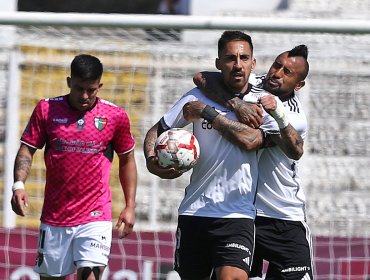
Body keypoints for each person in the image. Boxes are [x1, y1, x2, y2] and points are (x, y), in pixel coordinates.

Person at [144, 30, 286, 280]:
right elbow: (156, 131)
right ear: (218, 63)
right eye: (230, 58)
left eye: (244, 58)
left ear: (253, 63)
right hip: (194, 212)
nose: (238, 64)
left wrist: (207, 113)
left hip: (237, 214)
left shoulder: (264, 104)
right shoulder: (197, 95)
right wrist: (151, 160)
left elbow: (250, 140)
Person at [10, 54, 138, 280]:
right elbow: (26, 150)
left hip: (95, 214)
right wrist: (18, 185)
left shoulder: (114, 116)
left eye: (91, 90)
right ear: (69, 82)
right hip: (55, 216)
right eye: (79, 89)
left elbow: (127, 160)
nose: (85, 96)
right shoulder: (47, 109)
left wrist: (130, 205)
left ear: (100, 86)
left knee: (90, 275)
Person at [194, 45, 314, 280]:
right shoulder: (253, 83)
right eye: (277, 65)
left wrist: (210, 112)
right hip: (242, 215)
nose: (277, 73)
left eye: (287, 72)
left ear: (298, 85)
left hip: (283, 216)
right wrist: (236, 103)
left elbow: (265, 144)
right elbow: (202, 77)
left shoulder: (294, 117)